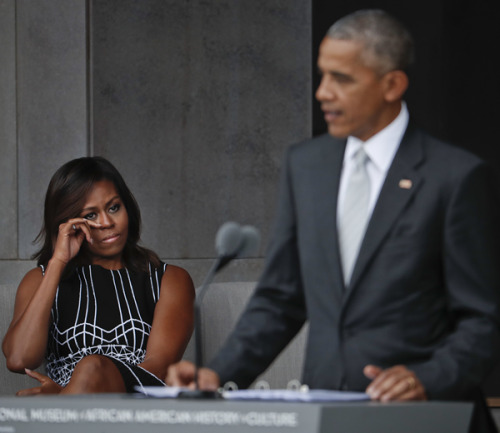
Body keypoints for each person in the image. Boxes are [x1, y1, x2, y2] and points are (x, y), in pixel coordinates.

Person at [166, 9, 500, 432]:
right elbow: (281, 298)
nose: (323, 92)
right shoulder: (306, 166)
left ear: (392, 85)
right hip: (327, 415)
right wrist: (218, 373)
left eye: (342, 78)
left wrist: (427, 378)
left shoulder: (455, 177)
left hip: (427, 417)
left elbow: (483, 321)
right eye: (322, 76)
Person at [2, 156, 195, 395]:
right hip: (73, 417)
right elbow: (20, 359)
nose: (106, 222)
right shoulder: (40, 280)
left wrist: (65, 395)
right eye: (90, 216)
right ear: (67, 224)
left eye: (114, 207)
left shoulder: (169, 279)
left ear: (128, 207)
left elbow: (157, 369)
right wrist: (58, 262)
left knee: (93, 366)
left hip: (138, 409)